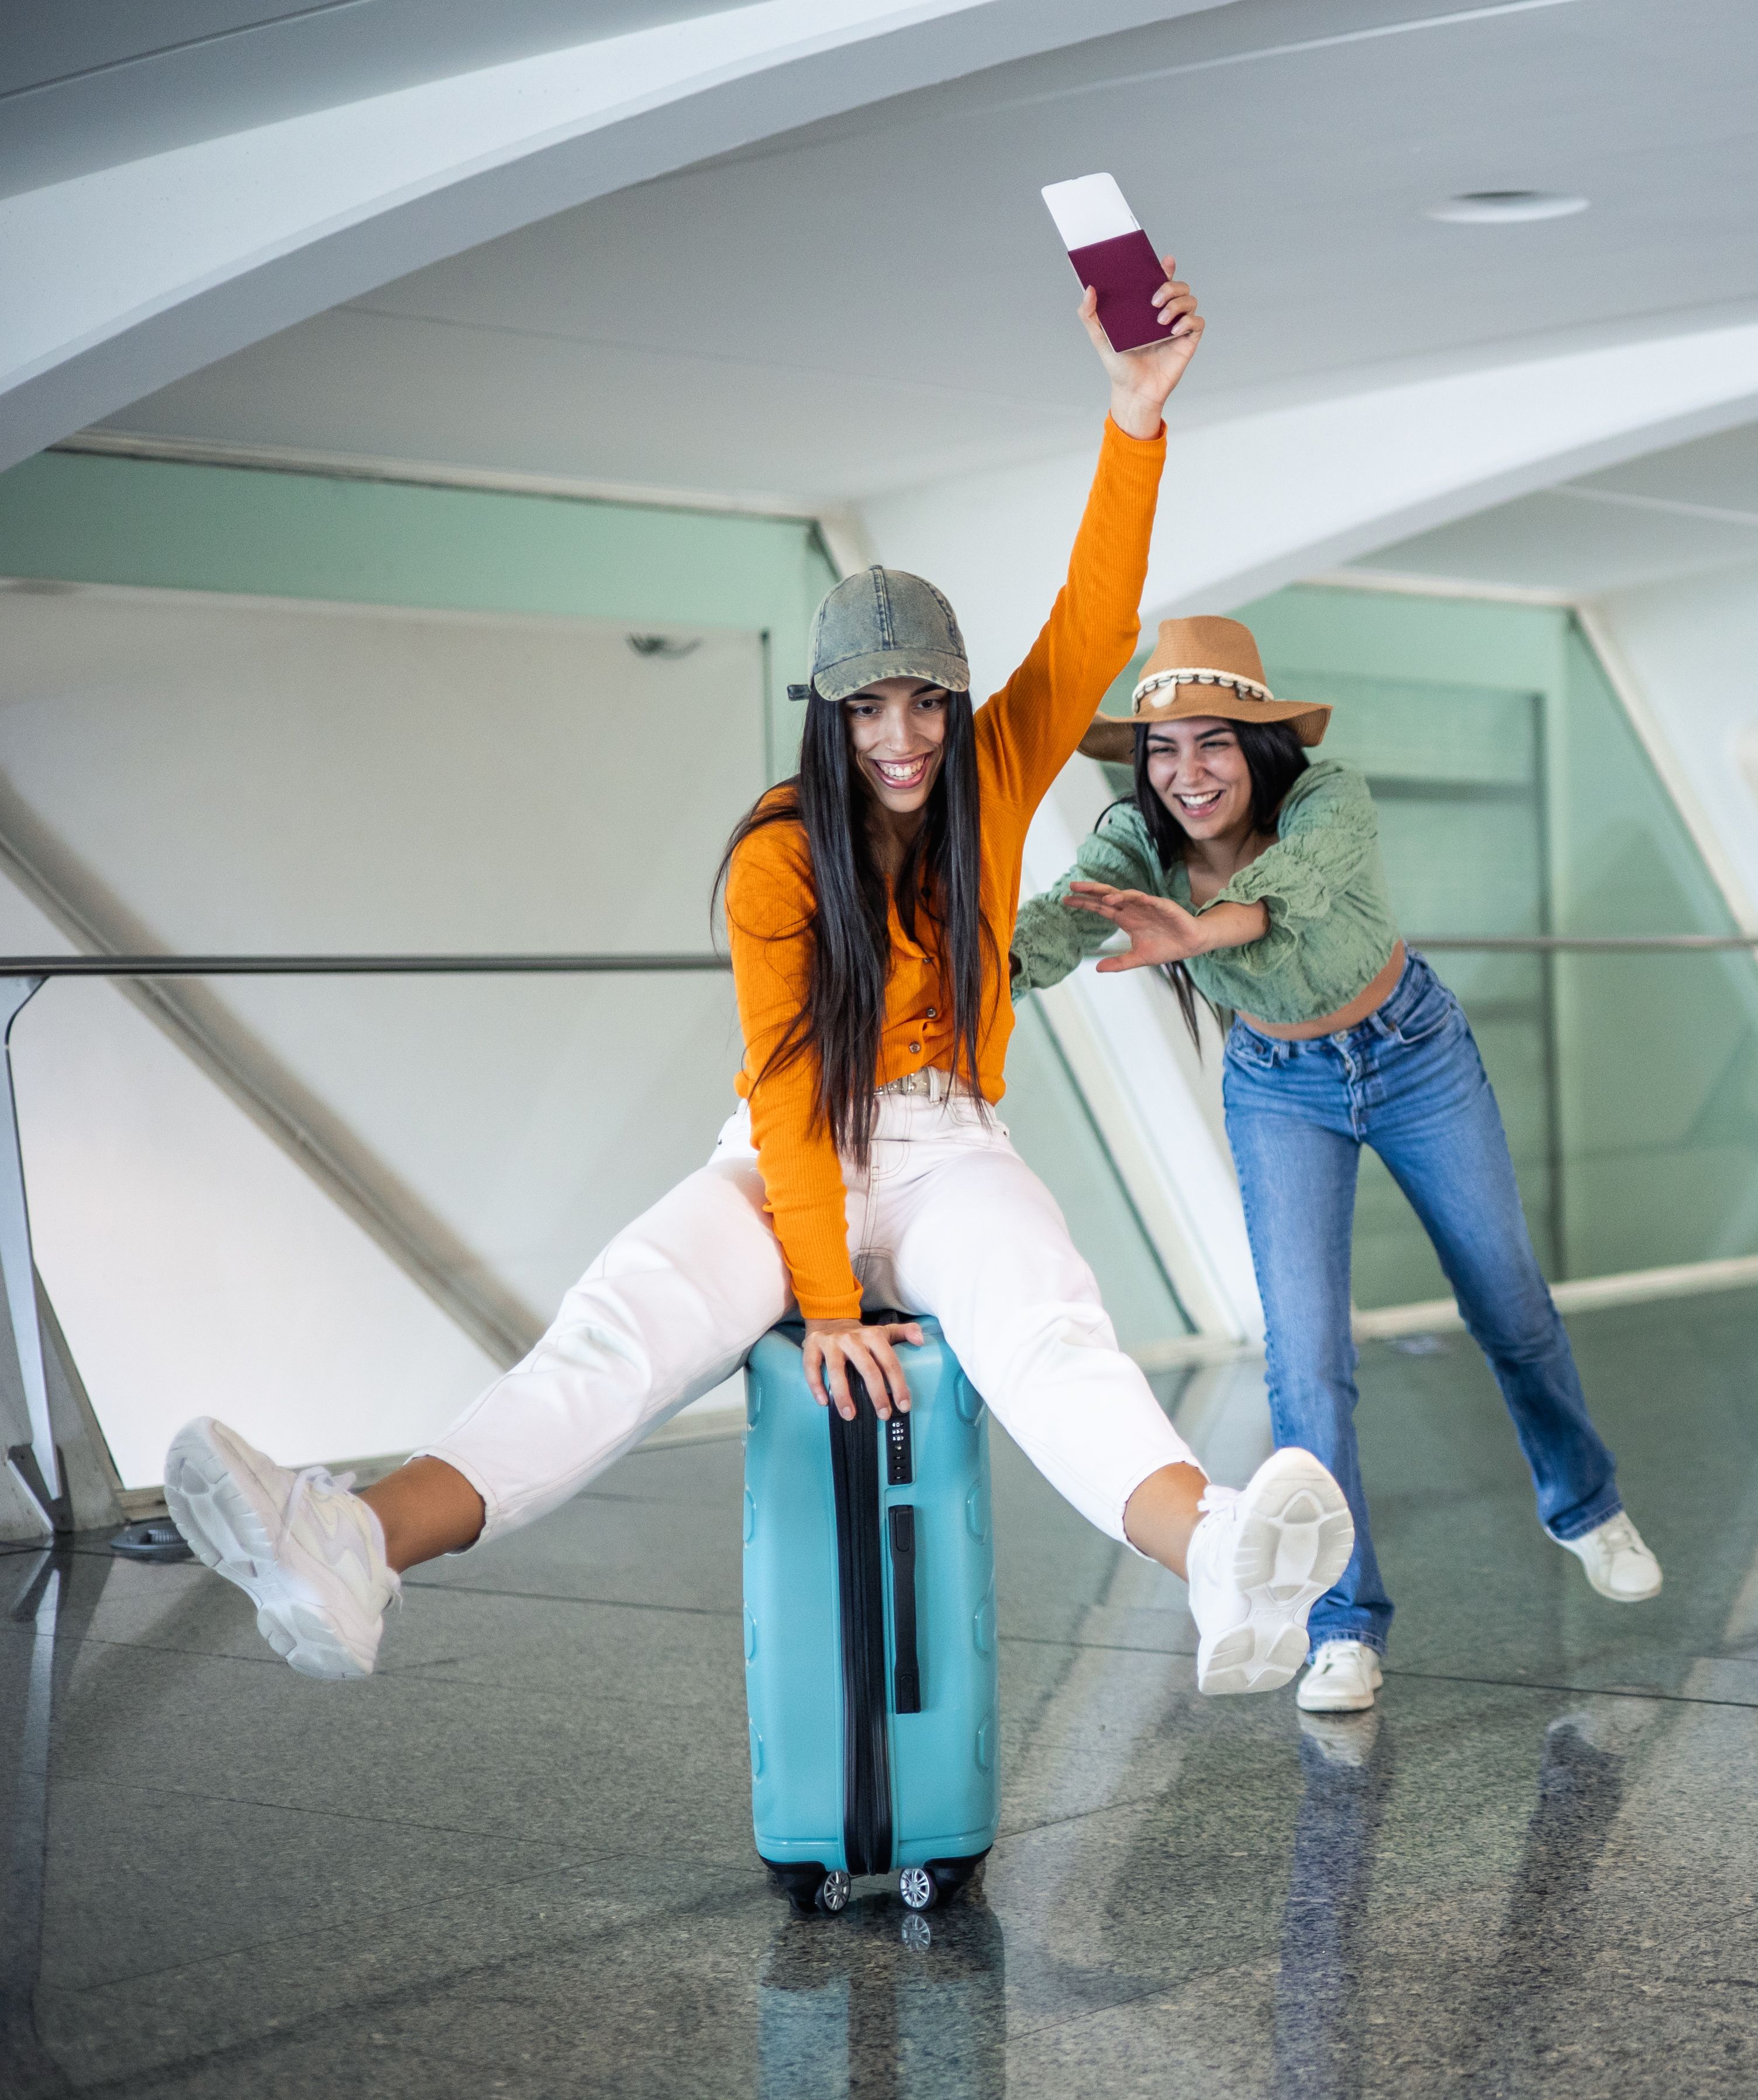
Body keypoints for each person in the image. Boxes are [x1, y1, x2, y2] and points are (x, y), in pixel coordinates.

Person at [164, 270, 1354, 1699]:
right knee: (623, 1325)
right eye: (872, 708)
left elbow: (1095, 623)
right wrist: (828, 1297)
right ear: (829, 716)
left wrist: (1134, 417)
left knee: (1047, 1326)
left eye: (926, 700)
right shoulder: (777, 863)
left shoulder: (989, 772)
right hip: (787, 1158)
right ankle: (352, 1540)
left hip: (948, 1147)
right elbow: (791, 1095)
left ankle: (1218, 1553)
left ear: (957, 703)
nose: (905, 737)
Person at [1011, 616, 1661, 1716]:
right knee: (1305, 1357)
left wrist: (1201, 933)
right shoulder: (1134, 840)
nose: (1185, 774)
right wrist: (958, 975)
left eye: (1211, 744)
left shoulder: (1327, 801)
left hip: (1413, 1051)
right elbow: (1064, 924)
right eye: (1162, 750)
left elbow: (1296, 889)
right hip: (1278, 1085)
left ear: (1259, 746)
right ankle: (1343, 1626)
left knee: (1508, 1302)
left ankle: (1585, 1504)